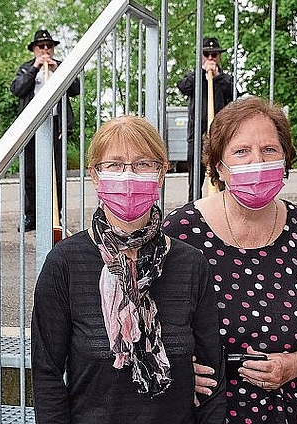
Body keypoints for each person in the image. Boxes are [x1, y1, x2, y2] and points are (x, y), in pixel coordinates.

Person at [162, 96, 297, 423]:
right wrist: (175, 369)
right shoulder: (181, 232)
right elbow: (140, 320)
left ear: (285, 160)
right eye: (241, 151)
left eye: (269, 150)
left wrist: (295, 364)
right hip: (204, 411)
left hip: (291, 409)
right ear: (219, 166)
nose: (256, 161)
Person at [31, 115, 226, 423]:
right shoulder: (65, 263)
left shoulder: (191, 264)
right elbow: (47, 374)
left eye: (143, 165)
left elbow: (213, 376)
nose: (128, 176)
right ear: (95, 176)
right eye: (114, 165)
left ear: (161, 174)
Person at [10, 28, 80, 232]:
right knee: (30, 172)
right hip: (32, 126)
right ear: (34, 49)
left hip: (55, 125)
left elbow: (75, 89)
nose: (46, 50)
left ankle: (55, 217)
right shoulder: (26, 68)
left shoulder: (61, 68)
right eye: (41, 47)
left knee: (56, 172)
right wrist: (35, 68)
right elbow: (17, 89)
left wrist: (58, 70)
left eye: (49, 46)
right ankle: (30, 216)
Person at [177, 36, 237, 202]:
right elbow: (182, 87)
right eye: (206, 54)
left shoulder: (226, 79)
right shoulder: (195, 77)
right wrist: (201, 72)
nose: (211, 58)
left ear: (219, 56)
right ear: (201, 56)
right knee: (195, 178)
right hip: (197, 136)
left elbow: (234, 94)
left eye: (214, 54)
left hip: (220, 136)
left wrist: (217, 77)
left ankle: (223, 207)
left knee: (222, 174)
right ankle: (193, 209)